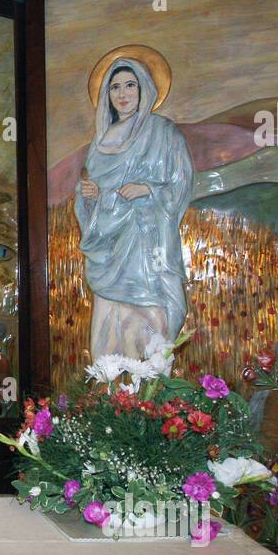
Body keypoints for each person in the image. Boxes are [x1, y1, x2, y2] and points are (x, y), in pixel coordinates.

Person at [75, 47, 192, 360]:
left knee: (150, 314)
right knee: (110, 319)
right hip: (109, 248)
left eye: (130, 85)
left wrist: (147, 190)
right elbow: (93, 193)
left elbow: (180, 183)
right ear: (106, 94)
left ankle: (151, 390)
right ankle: (112, 392)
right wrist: (88, 197)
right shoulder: (100, 144)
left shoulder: (163, 133)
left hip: (145, 242)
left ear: (144, 89)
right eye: (114, 87)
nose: (122, 94)